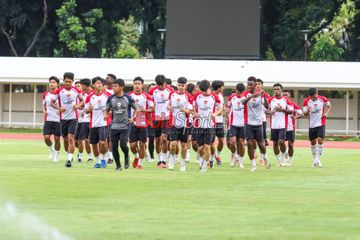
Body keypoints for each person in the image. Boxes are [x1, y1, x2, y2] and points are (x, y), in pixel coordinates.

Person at [52, 72, 84, 167]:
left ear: (73, 81)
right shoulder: (59, 91)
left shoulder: (76, 91)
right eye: (66, 81)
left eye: (70, 81)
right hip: (63, 119)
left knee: (71, 139)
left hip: (73, 119)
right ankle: (68, 155)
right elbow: (52, 103)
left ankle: (69, 160)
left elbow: (82, 101)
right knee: (65, 139)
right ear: (63, 81)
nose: (68, 83)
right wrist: (59, 108)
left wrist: (77, 106)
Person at [106, 79, 137, 171]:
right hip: (114, 126)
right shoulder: (110, 98)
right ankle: (118, 165)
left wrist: (133, 118)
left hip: (125, 125)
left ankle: (126, 156)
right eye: (113, 86)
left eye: (115, 86)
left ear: (121, 87)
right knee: (114, 146)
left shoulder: (128, 98)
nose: (113, 88)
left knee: (123, 144)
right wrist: (106, 114)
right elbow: (107, 110)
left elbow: (136, 109)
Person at [193, 80, 222, 172]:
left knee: (207, 146)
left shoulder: (214, 97)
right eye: (202, 91)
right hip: (199, 125)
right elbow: (193, 108)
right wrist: (195, 113)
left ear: (209, 88)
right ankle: (202, 160)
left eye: (205, 90)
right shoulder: (197, 96)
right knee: (200, 148)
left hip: (210, 125)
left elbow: (221, 108)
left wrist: (215, 113)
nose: (204, 93)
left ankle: (205, 166)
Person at [241, 76, 270, 171]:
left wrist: (264, 96)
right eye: (248, 84)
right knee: (250, 143)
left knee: (261, 144)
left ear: (255, 84)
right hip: (248, 123)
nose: (249, 86)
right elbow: (243, 102)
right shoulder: (245, 94)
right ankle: (253, 164)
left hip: (259, 123)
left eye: (251, 84)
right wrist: (251, 96)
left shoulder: (260, 94)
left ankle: (265, 157)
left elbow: (267, 106)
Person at [167, 77, 193, 171]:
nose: (181, 87)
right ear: (177, 85)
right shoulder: (172, 94)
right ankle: (172, 159)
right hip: (174, 123)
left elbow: (191, 111)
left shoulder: (188, 96)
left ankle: (182, 164)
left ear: (185, 86)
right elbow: (168, 104)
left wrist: (184, 110)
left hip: (184, 124)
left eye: (183, 85)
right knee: (173, 144)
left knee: (183, 145)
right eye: (179, 85)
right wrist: (169, 107)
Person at [128, 77, 154, 170]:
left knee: (142, 144)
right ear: (133, 85)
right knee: (132, 145)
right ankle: (136, 156)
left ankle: (140, 163)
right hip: (132, 123)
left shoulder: (147, 96)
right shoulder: (129, 96)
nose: (137, 85)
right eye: (135, 84)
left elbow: (152, 109)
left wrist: (145, 110)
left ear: (142, 85)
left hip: (143, 123)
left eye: (139, 84)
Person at [148, 74, 174, 168]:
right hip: (156, 117)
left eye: (161, 85)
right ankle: (160, 160)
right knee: (158, 139)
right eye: (158, 85)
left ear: (165, 83)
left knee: (164, 138)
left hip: (166, 117)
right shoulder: (152, 91)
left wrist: (171, 107)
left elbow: (174, 102)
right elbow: (149, 102)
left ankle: (164, 159)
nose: (160, 86)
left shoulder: (170, 91)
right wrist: (152, 106)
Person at [85, 77, 111, 168]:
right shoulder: (89, 97)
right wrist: (90, 109)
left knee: (103, 142)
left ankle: (103, 158)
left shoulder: (107, 96)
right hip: (93, 124)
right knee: (94, 144)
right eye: (97, 83)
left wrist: (107, 113)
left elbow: (110, 110)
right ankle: (98, 161)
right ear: (93, 85)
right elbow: (86, 111)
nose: (99, 85)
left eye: (100, 83)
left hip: (103, 123)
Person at [303, 88, 332, 167]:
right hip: (312, 124)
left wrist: (326, 113)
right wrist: (307, 111)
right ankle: (314, 159)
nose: (314, 97)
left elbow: (329, 105)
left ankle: (318, 160)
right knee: (312, 143)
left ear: (317, 93)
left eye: (315, 95)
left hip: (321, 123)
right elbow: (304, 114)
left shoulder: (322, 99)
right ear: (310, 96)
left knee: (320, 140)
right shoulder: (306, 101)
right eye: (312, 96)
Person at [267, 83, 293, 166]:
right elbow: (265, 110)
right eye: (275, 89)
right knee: (275, 143)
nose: (276, 91)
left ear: (281, 90)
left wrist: (282, 110)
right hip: (273, 125)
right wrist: (270, 112)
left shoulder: (285, 100)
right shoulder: (271, 100)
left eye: (278, 89)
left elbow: (291, 111)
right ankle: (279, 160)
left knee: (281, 142)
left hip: (282, 125)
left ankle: (284, 153)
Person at [227, 83, 246, 168]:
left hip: (243, 124)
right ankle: (234, 157)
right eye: (238, 92)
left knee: (241, 144)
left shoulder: (245, 98)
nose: (239, 94)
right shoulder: (232, 97)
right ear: (236, 90)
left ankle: (240, 161)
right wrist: (226, 116)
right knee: (232, 142)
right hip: (233, 123)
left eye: (240, 92)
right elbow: (228, 107)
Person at [282, 89, 303, 166]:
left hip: (290, 128)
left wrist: (295, 117)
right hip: (281, 127)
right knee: (281, 143)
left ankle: (290, 160)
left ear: (289, 96)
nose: (285, 96)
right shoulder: (278, 105)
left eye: (287, 95)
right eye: (284, 95)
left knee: (291, 145)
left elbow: (301, 114)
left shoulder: (293, 105)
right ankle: (283, 158)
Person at [42, 76, 61, 162]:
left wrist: (60, 111)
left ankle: (57, 154)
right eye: (50, 82)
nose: (52, 84)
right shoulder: (46, 94)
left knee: (57, 139)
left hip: (58, 120)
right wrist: (44, 110)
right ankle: (51, 149)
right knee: (46, 138)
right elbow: (43, 104)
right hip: (48, 119)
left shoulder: (60, 94)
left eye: (53, 82)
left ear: (57, 84)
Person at [75, 78, 93, 163]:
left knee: (93, 141)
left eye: (81, 85)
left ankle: (99, 157)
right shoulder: (82, 95)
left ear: (85, 85)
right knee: (84, 140)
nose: (80, 87)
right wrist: (78, 107)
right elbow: (82, 106)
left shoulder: (94, 94)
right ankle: (86, 156)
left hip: (93, 120)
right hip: (84, 120)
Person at [255, 78, 271, 165]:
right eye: (256, 84)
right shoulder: (251, 94)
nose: (258, 85)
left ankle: (262, 157)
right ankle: (254, 154)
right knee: (252, 140)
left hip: (262, 120)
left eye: (259, 84)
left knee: (261, 140)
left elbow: (267, 108)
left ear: (262, 85)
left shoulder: (266, 95)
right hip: (251, 120)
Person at [211, 80, 225, 166]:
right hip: (212, 122)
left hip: (219, 121)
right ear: (219, 88)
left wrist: (222, 111)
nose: (223, 88)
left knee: (221, 141)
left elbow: (221, 108)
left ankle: (217, 155)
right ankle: (211, 158)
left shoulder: (221, 96)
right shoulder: (210, 96)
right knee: (211, 142)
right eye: (222, 86)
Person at [104, 73, 116, 164]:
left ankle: (111, 156)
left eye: (108, 78)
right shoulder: (103, 90)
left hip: (115, 117)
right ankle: (106, 155)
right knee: (105, 138)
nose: (106, 79)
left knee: (111, 138)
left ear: (113, 80)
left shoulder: (116, 91)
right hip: (105, 117)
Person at [185, 83, 196, 162]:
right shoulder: (187, 97)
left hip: (192, 120)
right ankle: (187, 155)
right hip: (188, 120)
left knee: (190, 138)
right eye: (194, 90)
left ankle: (188, 155)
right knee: (188, 138)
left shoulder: (194, 98)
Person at [146, 83, 157, 162]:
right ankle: (147, 154)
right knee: (146, 139)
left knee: (153, 138)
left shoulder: (158, 98)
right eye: (151, 88)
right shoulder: (146, 98)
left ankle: (152, 156)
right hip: (146, 121)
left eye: (154, 88)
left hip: (156, 120)